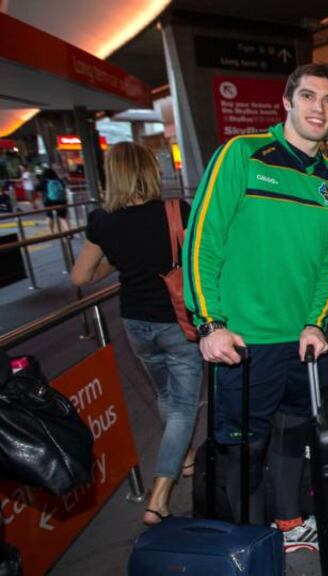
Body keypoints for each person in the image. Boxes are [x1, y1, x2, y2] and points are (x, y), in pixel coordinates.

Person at [183, 62, 328, 553]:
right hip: (242, 343)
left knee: (294, 439)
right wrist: (209, 323)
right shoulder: (242, 154)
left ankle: (290, 522)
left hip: (301, 344)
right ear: (287, 101)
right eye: (308, 96)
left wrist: (315, 323)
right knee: (241, 452)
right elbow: (201, 242)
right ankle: (245, 545)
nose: (318, 108)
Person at [70, 142, 200, 527]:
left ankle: (186, 455)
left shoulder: (102, 221)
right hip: (178, 323)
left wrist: (118, 262)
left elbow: (80, 276)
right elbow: (201, 258)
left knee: (164, 395)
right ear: (150, 172)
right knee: (183, 407)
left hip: (135, 324)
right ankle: (159, 496)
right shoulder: (176, 211)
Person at [41, 168, 71, 235]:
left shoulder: (45, 182)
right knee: (63, 217)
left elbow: (38, 188)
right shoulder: (59, 180)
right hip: (62, 200)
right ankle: (68, 231)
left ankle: (52, 233)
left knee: (49, 216)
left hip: (50, 201)